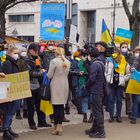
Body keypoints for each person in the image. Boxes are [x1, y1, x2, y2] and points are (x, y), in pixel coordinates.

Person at [25, 43, 51, 130]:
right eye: (35, 51)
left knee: (40, 105)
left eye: (37, 51)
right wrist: (41, 73)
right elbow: (28, 73)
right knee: (31, 106)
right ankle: (31, 123)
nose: (36, 52)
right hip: (30, 86)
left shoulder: (38, 58)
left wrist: (43, 69)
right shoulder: (26, 59)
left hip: (39, 85)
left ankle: (42, 122)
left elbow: (43, 66)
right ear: (30, 50)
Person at [47, 44, 71, 136]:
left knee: (55, 107)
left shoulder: (53, 61)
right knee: (61, 107)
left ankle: (56, 127)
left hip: (56, 85)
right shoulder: (68, 62)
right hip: (65, 85)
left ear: (55, 53)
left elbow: (49, 75)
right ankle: (59, 127)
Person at [85, 41, 107, 138]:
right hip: (100, 90)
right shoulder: (100, 63)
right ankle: (95, 129)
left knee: (97, 111)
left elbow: (92, 79)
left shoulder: (94, 64)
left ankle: (101, 132)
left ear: (90, 55)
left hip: (96, 91)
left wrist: (86, 85)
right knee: (98, 111)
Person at [106, 48, 130, 123]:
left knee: (119, 100)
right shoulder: (109, 61)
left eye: (117, 53)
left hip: (120, 84)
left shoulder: (124, 62)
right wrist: (107, 78)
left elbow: (128, 74)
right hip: (111, 83)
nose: (115, 54)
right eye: (114, 52)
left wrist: (123, 79)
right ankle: (111, 116)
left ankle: (118, 116)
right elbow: (106, 71)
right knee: (111, 100)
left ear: (120, 54)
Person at [2, 45, 20, 140]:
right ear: (9, 53)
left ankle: (8, 128)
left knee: (12, 111)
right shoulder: (8, 63)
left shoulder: (13, 62)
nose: (17, 55)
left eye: (17, 53)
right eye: (15, 53)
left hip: (14, 90)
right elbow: (8, 77)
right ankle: (5, 130)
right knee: (8, 111)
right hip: (10, 91)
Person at [130, 46, 140, 124]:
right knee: (136, 100)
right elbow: (134, 66)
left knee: (136, 100)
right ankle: (134, 116)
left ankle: (135, 115)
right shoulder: (137, 58)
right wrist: (133, 68)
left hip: (137, 81)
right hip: (137, 81)